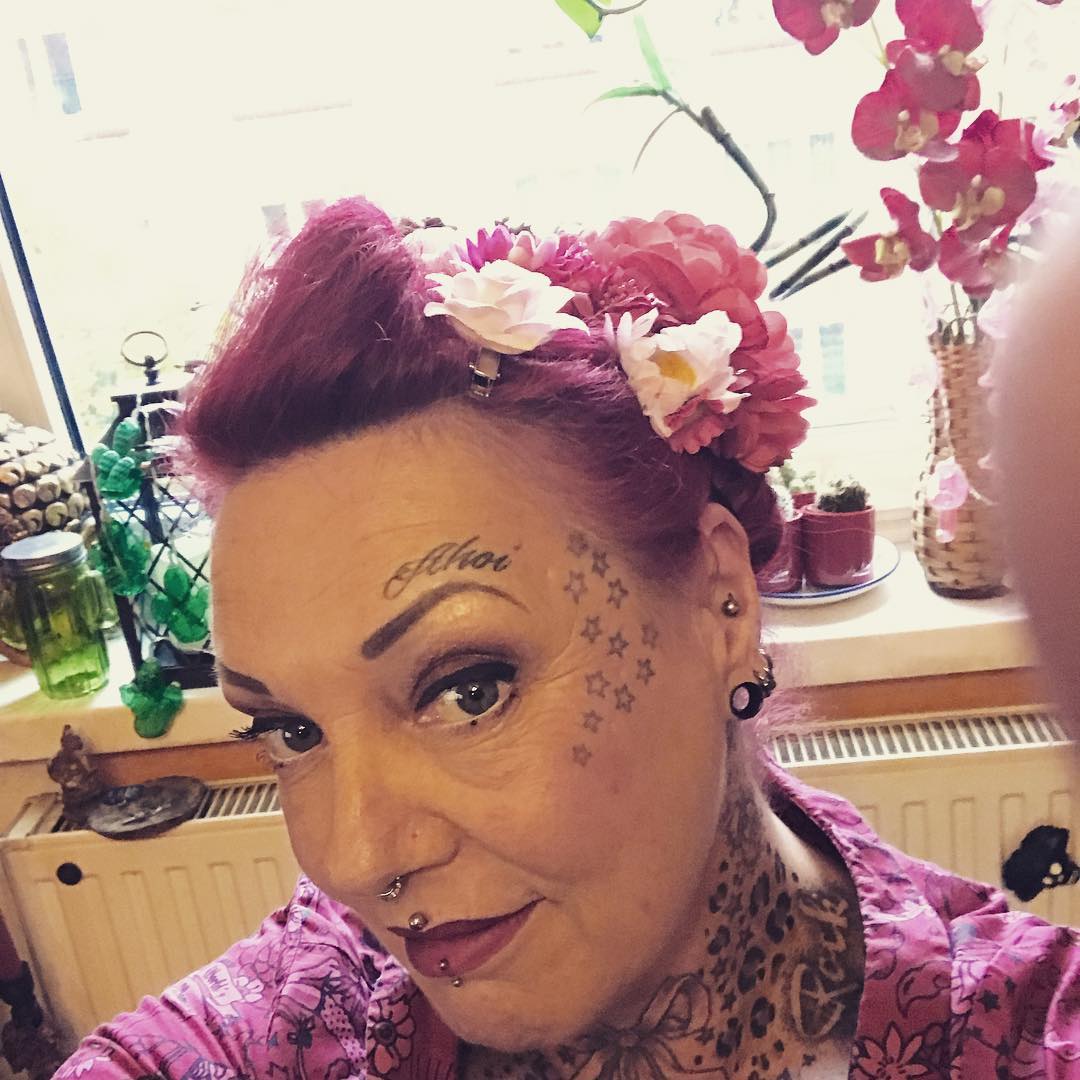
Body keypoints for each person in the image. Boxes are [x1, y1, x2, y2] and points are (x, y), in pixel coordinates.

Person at [55, 198, 1080, 1080]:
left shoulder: (1021, 1039)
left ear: (722, 602)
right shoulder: (297, 1024)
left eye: (468, 689)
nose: (356, 859)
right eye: (292, 732)